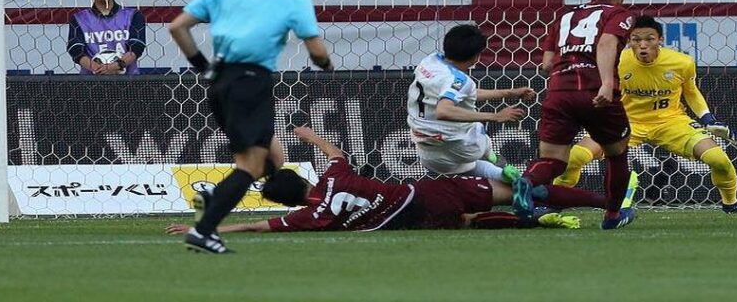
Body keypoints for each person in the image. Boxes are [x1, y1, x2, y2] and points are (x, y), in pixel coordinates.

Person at [169, 0, 334, 254]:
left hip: (219, 83)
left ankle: (213, 200)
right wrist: (326, 64)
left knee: (269, 160)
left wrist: (203, 67)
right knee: (251, 166)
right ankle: (204, 230)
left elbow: (177, 27)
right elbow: (316, 51)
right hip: (251, 83)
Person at [165, 127, 607, 236]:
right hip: (427, 190)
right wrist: (307, 135)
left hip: (417, 218)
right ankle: (602, 200)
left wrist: (203, 228)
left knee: (470, 221)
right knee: (522, 188)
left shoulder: (307, 217)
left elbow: (255, 226)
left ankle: (536, 221)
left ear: (287, 203)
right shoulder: (333, 177)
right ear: (298, 177)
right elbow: (337, 154)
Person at [552, 16, 737, 213]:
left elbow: (691, 92)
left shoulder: (682, 62)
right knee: (575, 157)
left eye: (649, 39)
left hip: (671, 122)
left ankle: (731, 204)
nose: (643, 45)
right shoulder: (615, 61)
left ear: (660, 40)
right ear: (629, 41)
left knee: (719, 159)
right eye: (636, 39)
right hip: (626, 122)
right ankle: (553, 203)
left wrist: (707, 118)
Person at [514, 0, 636, 230]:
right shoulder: (620, 13)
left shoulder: (566, 16)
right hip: (595, 91)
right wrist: (606, 83)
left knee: (552, 161)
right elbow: (607, 42)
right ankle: (612, 215)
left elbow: (547, 63)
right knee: (616, 153)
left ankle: (527, 182)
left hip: (559, 92)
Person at [408, 24, 534, 183]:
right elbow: (444, 110)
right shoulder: (459, 80)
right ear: (476, 57)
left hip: (428, 154)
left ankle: (504, 176)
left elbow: (464, 93)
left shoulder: (429, 62)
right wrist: (496, 116)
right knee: (477, 128)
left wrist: (510, 93)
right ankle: (494, 159)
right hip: (464, 147)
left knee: (468, 167)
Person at [67, 0, 146, 75]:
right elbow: (75, 50)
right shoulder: (80, 19)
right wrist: (97, 68)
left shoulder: (133, 15)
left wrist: (116, 66)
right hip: (91, 81)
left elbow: (137, 47)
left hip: (128, 80)